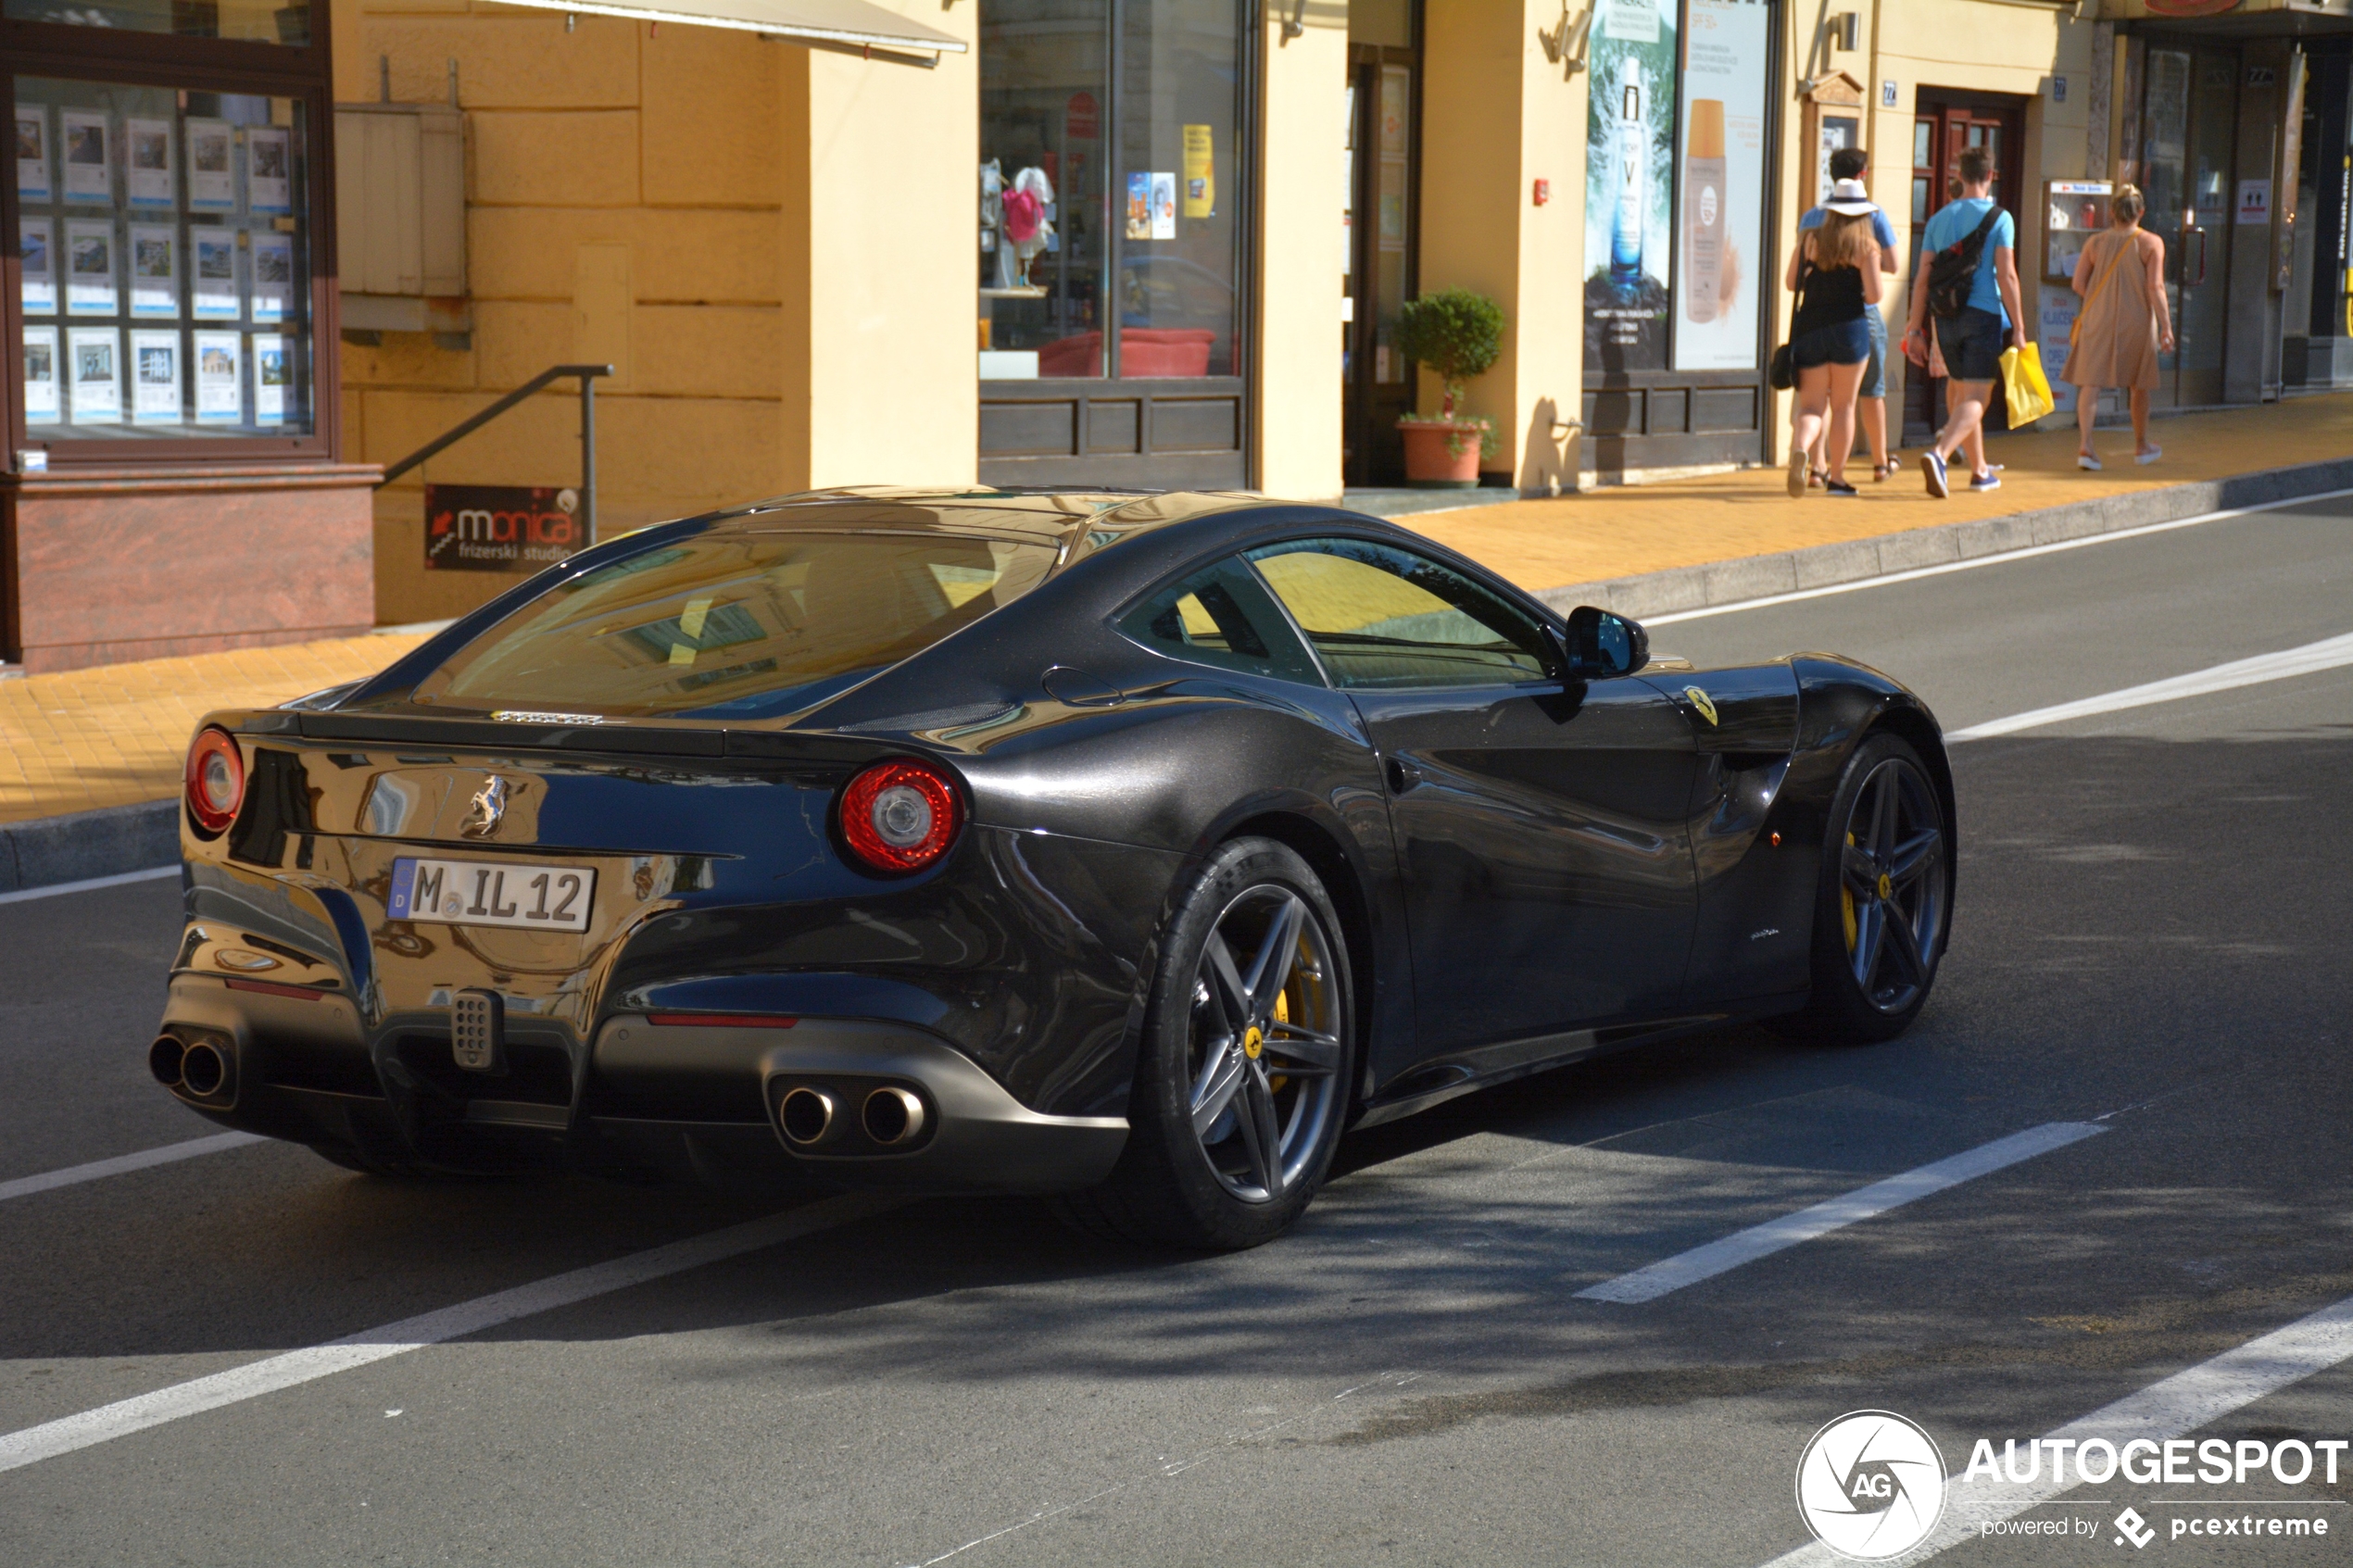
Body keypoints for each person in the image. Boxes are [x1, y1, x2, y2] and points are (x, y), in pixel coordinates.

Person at [1903, 147, 2026, 498]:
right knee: (1977, 397)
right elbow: (2008, 276)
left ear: (1959, 175)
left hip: (1945, 318)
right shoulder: (2000, 218)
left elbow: (1922, 279)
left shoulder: (1939, 219)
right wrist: (2018, 327)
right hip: (1983, 315)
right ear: (1991, 176)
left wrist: (1915, 329)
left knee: (1963, 393)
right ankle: (1939, 455)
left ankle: (1979, 471)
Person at [1800, 147, 1900, 483]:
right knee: (1868, 392)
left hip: (1813, 317)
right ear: (1864, 175)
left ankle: (1817, 467)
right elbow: (1893, 266)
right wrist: (1864, 262)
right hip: (1858, 316)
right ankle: (1879, 462)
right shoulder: (1872, 216)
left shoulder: (1812, 217)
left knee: (1816, 402)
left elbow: (1797, 275)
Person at [1780, 177, 1883, 498]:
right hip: (1849, 329)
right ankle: (1837, 478)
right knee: (1843, 407)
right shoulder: (1866, 246)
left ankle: (1801, 449)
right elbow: (1875, 296)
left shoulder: (1810, 240)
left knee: (1811, 406)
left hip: (1810, 328)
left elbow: (1789, 282)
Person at [2063, 182, 2174, 469]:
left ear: (2112, 212)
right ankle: (2141, 446)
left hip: (2097, 320)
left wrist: (2101, 301)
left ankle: (2085, 446)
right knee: (2140, 385)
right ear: (2141, 212)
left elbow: (2077, 283)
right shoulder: (2151, 243)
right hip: (2136, 320)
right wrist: (2166, 327)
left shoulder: (2095, 243)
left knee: (2091, 383)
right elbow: (2156, 286)